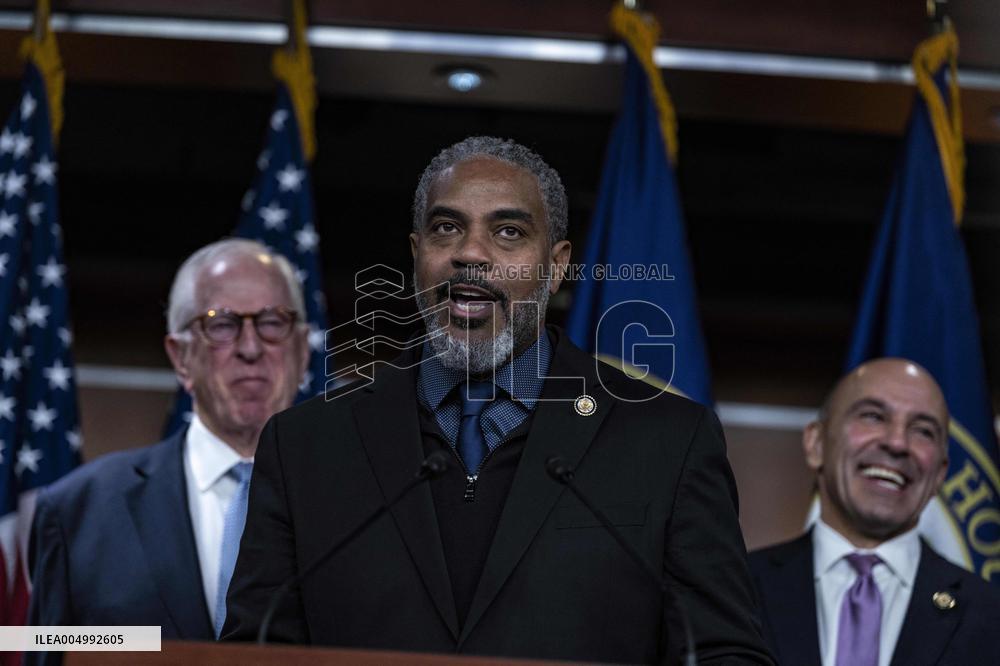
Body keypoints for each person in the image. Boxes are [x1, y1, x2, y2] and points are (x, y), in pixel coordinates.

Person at [223, 136, 772, 664]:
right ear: (417, 256)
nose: (470, 254)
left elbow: (724, 653)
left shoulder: (668, 441)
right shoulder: (305, 446)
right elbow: (254, 649)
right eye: (446, 229)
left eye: (508, 232)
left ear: (556, 267)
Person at [27, 239, 309, 659]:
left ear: (302, 350)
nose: (251, 348)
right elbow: (37, 649)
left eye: (272, 322)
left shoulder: (363, 503)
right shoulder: (77, 511)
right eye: (222, 324)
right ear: (180, 357)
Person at [749, 358, 1000, 666]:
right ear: (816, 444)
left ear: (940, 475)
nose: (897, 443)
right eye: (873, 416)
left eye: (923, 431)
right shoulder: (735, 590)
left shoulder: (989, 614)